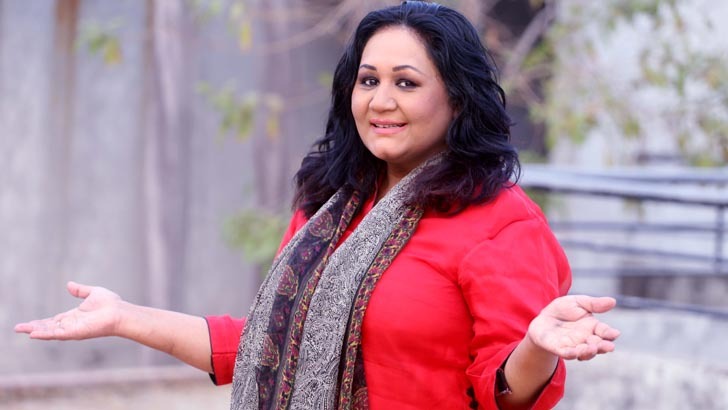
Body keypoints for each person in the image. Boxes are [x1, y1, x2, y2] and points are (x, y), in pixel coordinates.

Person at [15, 2, 620, 409]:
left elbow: (504, 394)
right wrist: (124, 317)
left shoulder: (499, 221)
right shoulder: (330, 205)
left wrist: (537, 347)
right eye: (368, 80)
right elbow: (269, 346)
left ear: (457, 99)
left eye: (407, 83)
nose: (380, 101)